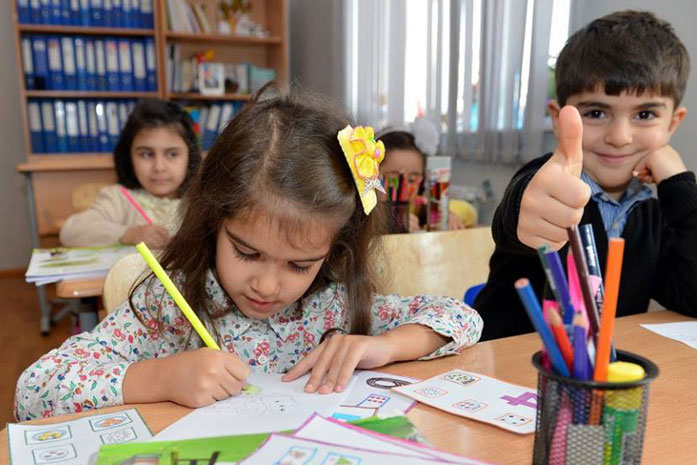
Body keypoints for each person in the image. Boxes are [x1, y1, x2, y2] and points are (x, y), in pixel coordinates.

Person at [15, 91, 483, 420]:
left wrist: (382, 345)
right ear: (214, 220)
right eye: (246, 252)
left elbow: (463, 318)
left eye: (299, 264)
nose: (266, 285)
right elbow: (34, 392)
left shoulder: (333, 302)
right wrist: (160, 379)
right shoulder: (171, 301)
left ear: (332, 250)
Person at [474, 10, 697, 341]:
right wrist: (525, 210)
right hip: (507, 373)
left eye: (645, 114)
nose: (619, 136)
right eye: (596, 113)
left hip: (602, 374)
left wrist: (680, 184)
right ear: (560, 119)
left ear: (672, 124)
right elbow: (519, 213)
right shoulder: (548, 180)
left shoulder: (657, 208)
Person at [59, 99, 201, 249]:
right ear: (128, 156)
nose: (159, 167)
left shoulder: (200, 200)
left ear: (190, 156)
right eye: (146, 154)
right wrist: (129, 234)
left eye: (172, 154)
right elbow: (70, 232)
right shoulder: (119, 199)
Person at [378, 125, 477, 232]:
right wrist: (389, 223)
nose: (405, 187)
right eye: (394, 179)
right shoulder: (364, 211)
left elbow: (469, 210)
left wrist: (448, 214)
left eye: (412, 179)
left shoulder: (416, 205)